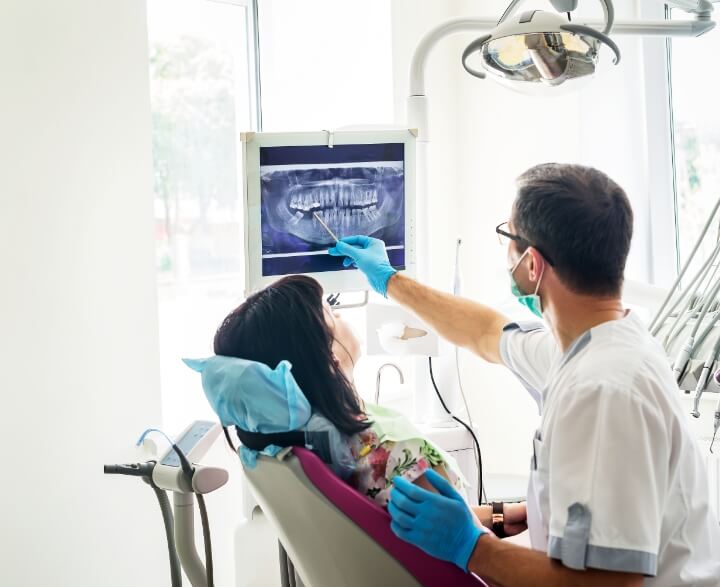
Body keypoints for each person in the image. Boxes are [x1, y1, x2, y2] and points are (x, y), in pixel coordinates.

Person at [328, 163, 720, 586]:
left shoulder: (603, 389)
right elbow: (484, 332)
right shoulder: (591, 344)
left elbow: (609, 583)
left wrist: (472, 546)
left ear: (532, 265)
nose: (506, 252)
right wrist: (390, 282)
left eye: (508, 237)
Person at [209, 274, 525, 530]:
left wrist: (499, 514)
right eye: (332, 313)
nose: (342, 314)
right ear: (330, 358)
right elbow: (477, 556)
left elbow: (421, 523)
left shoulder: (315, 450)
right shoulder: (394, 457)